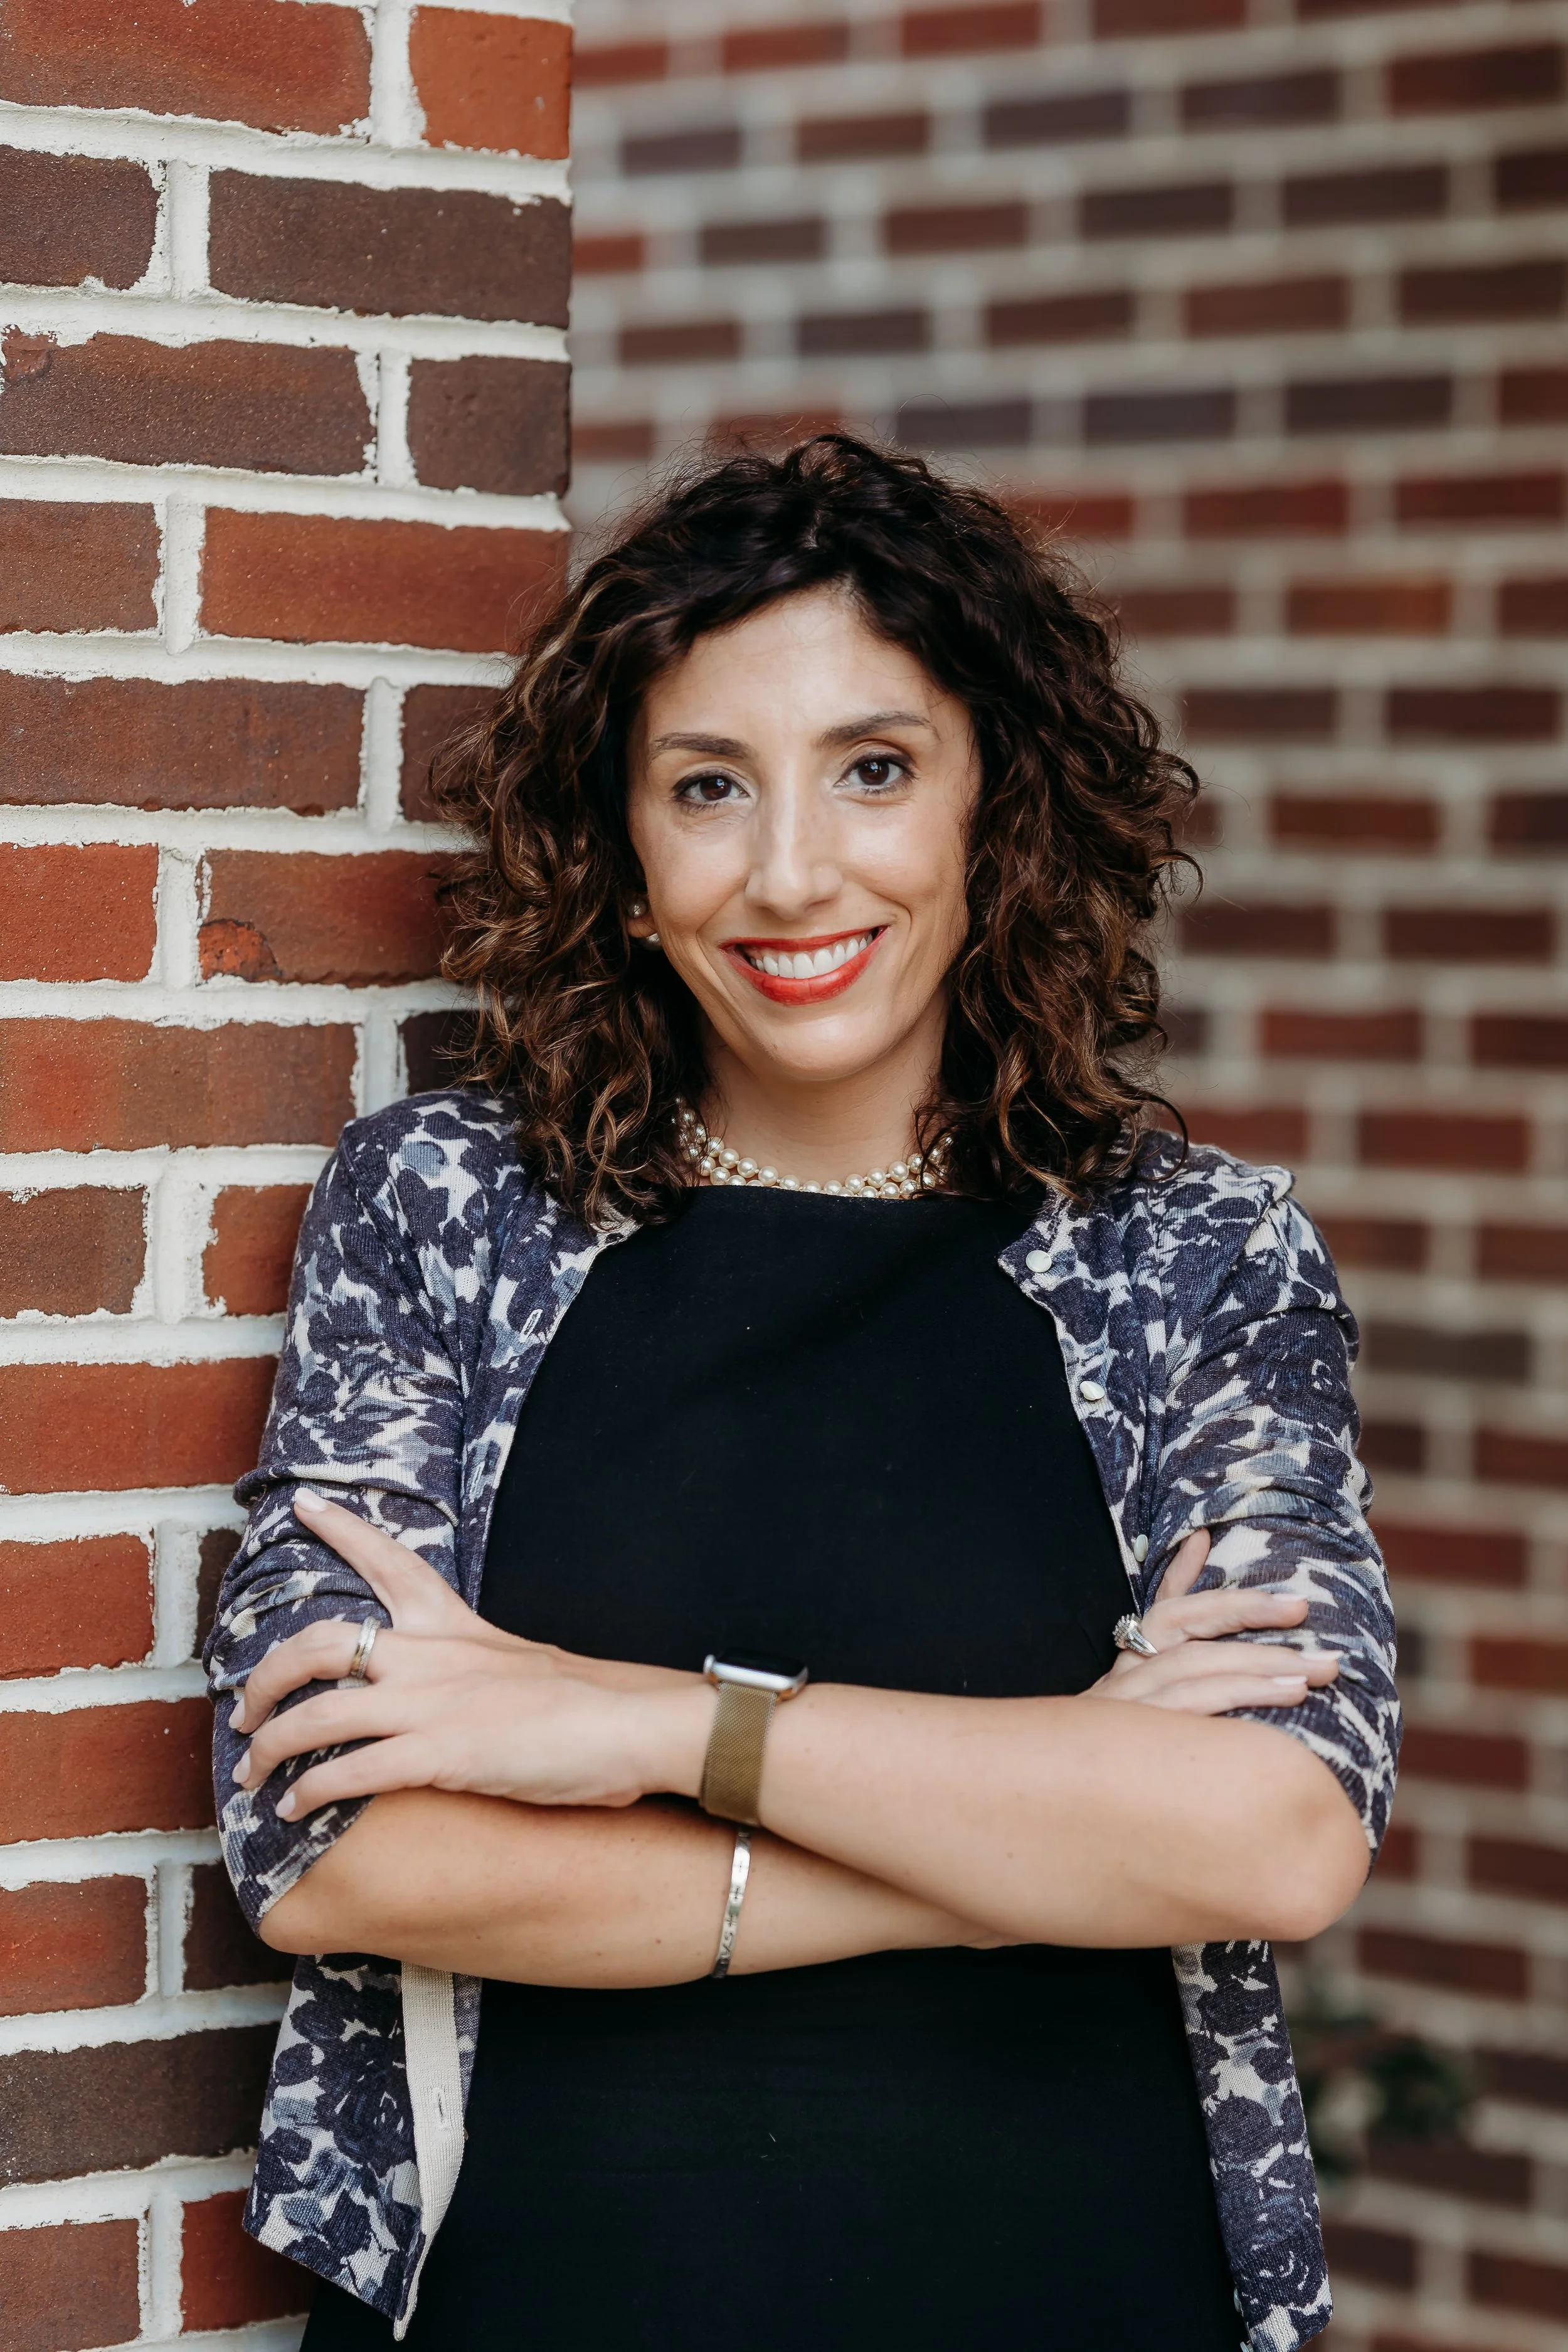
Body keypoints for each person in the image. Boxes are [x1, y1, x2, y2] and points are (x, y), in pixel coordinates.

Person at [206, 435, 1397, 2352]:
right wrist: (1017, 1858)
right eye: (705, 787)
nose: (787, 870)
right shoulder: (446, 1209)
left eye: (872, 768)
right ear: (618, 846)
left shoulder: (1194, 1262)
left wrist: (635, 1725)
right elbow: (340, 1851)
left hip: (1075, 2290)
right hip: (546, 2298)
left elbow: (1267, 1834)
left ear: (993, 805)